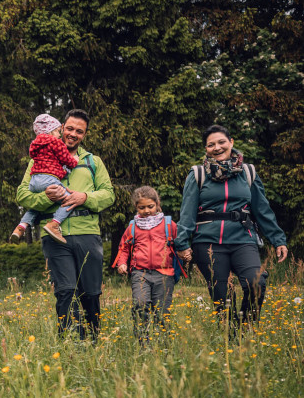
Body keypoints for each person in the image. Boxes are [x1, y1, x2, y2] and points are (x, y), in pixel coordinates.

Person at [175, 124, 288, 328]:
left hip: (243, 239)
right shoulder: (198, 174)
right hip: (208, 242)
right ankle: (230, 337)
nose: (217, 148)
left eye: (221, 142)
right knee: (223, 297)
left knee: (256, 283)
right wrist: (182, 243)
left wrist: (278, 239)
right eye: (211, 145)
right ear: (206, 149)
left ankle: (246, 330)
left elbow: (262, 210)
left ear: (231, 143)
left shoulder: (248, 172)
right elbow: (187, 212)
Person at [16, 109, 115, 339]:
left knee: (90, 293)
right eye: (69, 128)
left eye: (79, 131)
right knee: (65, 291)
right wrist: (45, 198)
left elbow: (109, 195)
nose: (73, 134)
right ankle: (71, 343)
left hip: (87, 232)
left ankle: (93, 340)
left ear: (84, 134)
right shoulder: (38, 158)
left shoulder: (93, 162)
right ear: (62, 128)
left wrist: (85, 198)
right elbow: (22, 195)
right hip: (53, 236)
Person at [112, 187, 178, 343]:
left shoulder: (168, 225)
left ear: (157, 204)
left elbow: (179, 243)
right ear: (136, 207)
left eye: (150, 206)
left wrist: (185, 253)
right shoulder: (133, 227)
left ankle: (164, 343)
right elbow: (124, 247)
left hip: (165, 273)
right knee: (140, 304)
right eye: (141, 207)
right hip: (140, 273)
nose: (146, 210)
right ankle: (142, 341)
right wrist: (122, 263)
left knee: (161, 310)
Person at [10, 114, 79, 244]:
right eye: (58, 131)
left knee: (35, 208)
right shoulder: (56, 142)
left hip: (34, 181)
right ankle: (54, 224)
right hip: (48, 180)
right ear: (51, 130)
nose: (60, 134)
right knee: (70, 200)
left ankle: (21, 227)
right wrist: (74, 161)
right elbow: (66, 159)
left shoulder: (35, 144)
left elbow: (44, 161)